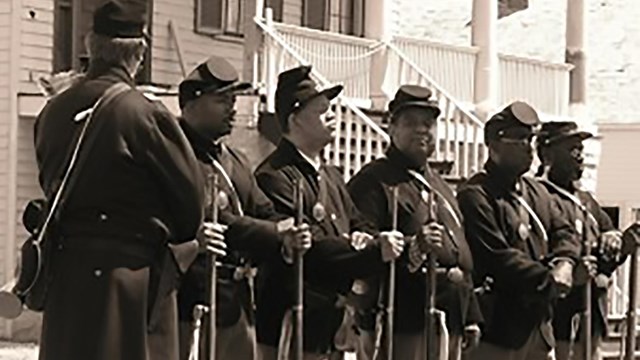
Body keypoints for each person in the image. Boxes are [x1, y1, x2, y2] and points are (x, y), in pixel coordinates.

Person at [33, 1, 209, 359]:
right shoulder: (144, 114)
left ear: (89, 44)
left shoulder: (52, 112)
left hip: (66, 275)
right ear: (140, 52)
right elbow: (190, 210)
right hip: (128, 278)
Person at [254, 65, 405, 359]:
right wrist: (370, 248)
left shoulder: (331, 176)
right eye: (321, 111)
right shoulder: (274, 176)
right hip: (295, 323)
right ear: (294, 119)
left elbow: (359, 223)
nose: (333, 116)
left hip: (329, 325)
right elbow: (312, 247)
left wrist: (369, 239)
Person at [175, 55, 312, 360]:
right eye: (222, 99)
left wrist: (290, 232)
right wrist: (276, 232)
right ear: (192, 103)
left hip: (236, 305)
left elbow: (262, 211)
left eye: (234, 98)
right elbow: (219, 220)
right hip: (193, 303)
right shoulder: (177, 154)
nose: (232, 108)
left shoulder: (234, 160)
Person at [347, 85, 482, 360]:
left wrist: (470, 314)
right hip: (402, 321)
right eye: (411, 122)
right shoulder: (373, 181)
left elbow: (461, 256)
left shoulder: (441, 186)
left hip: (448, 317)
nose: (422, 130)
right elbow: (360, 248)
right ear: (391, 127)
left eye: (429, 123)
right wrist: (414, 246)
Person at [456, 102, 581, 360]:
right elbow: (497, 257)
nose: (528, 147)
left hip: (540, 327)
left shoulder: (538, 192)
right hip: (499, 330)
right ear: (493, 144)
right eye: (519, 139)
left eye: (530, 138)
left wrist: (566, 263)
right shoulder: (476, 194)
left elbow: (565, 233)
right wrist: (549, 278)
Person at [536, 121, 627, 360]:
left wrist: (614, 237)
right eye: (571, 148)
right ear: (547, 153)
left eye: (580, 148)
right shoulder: (540, 195)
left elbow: (608, 233)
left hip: (591, 316)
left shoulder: (585, 200)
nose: (579, 156)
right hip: (558, 318)